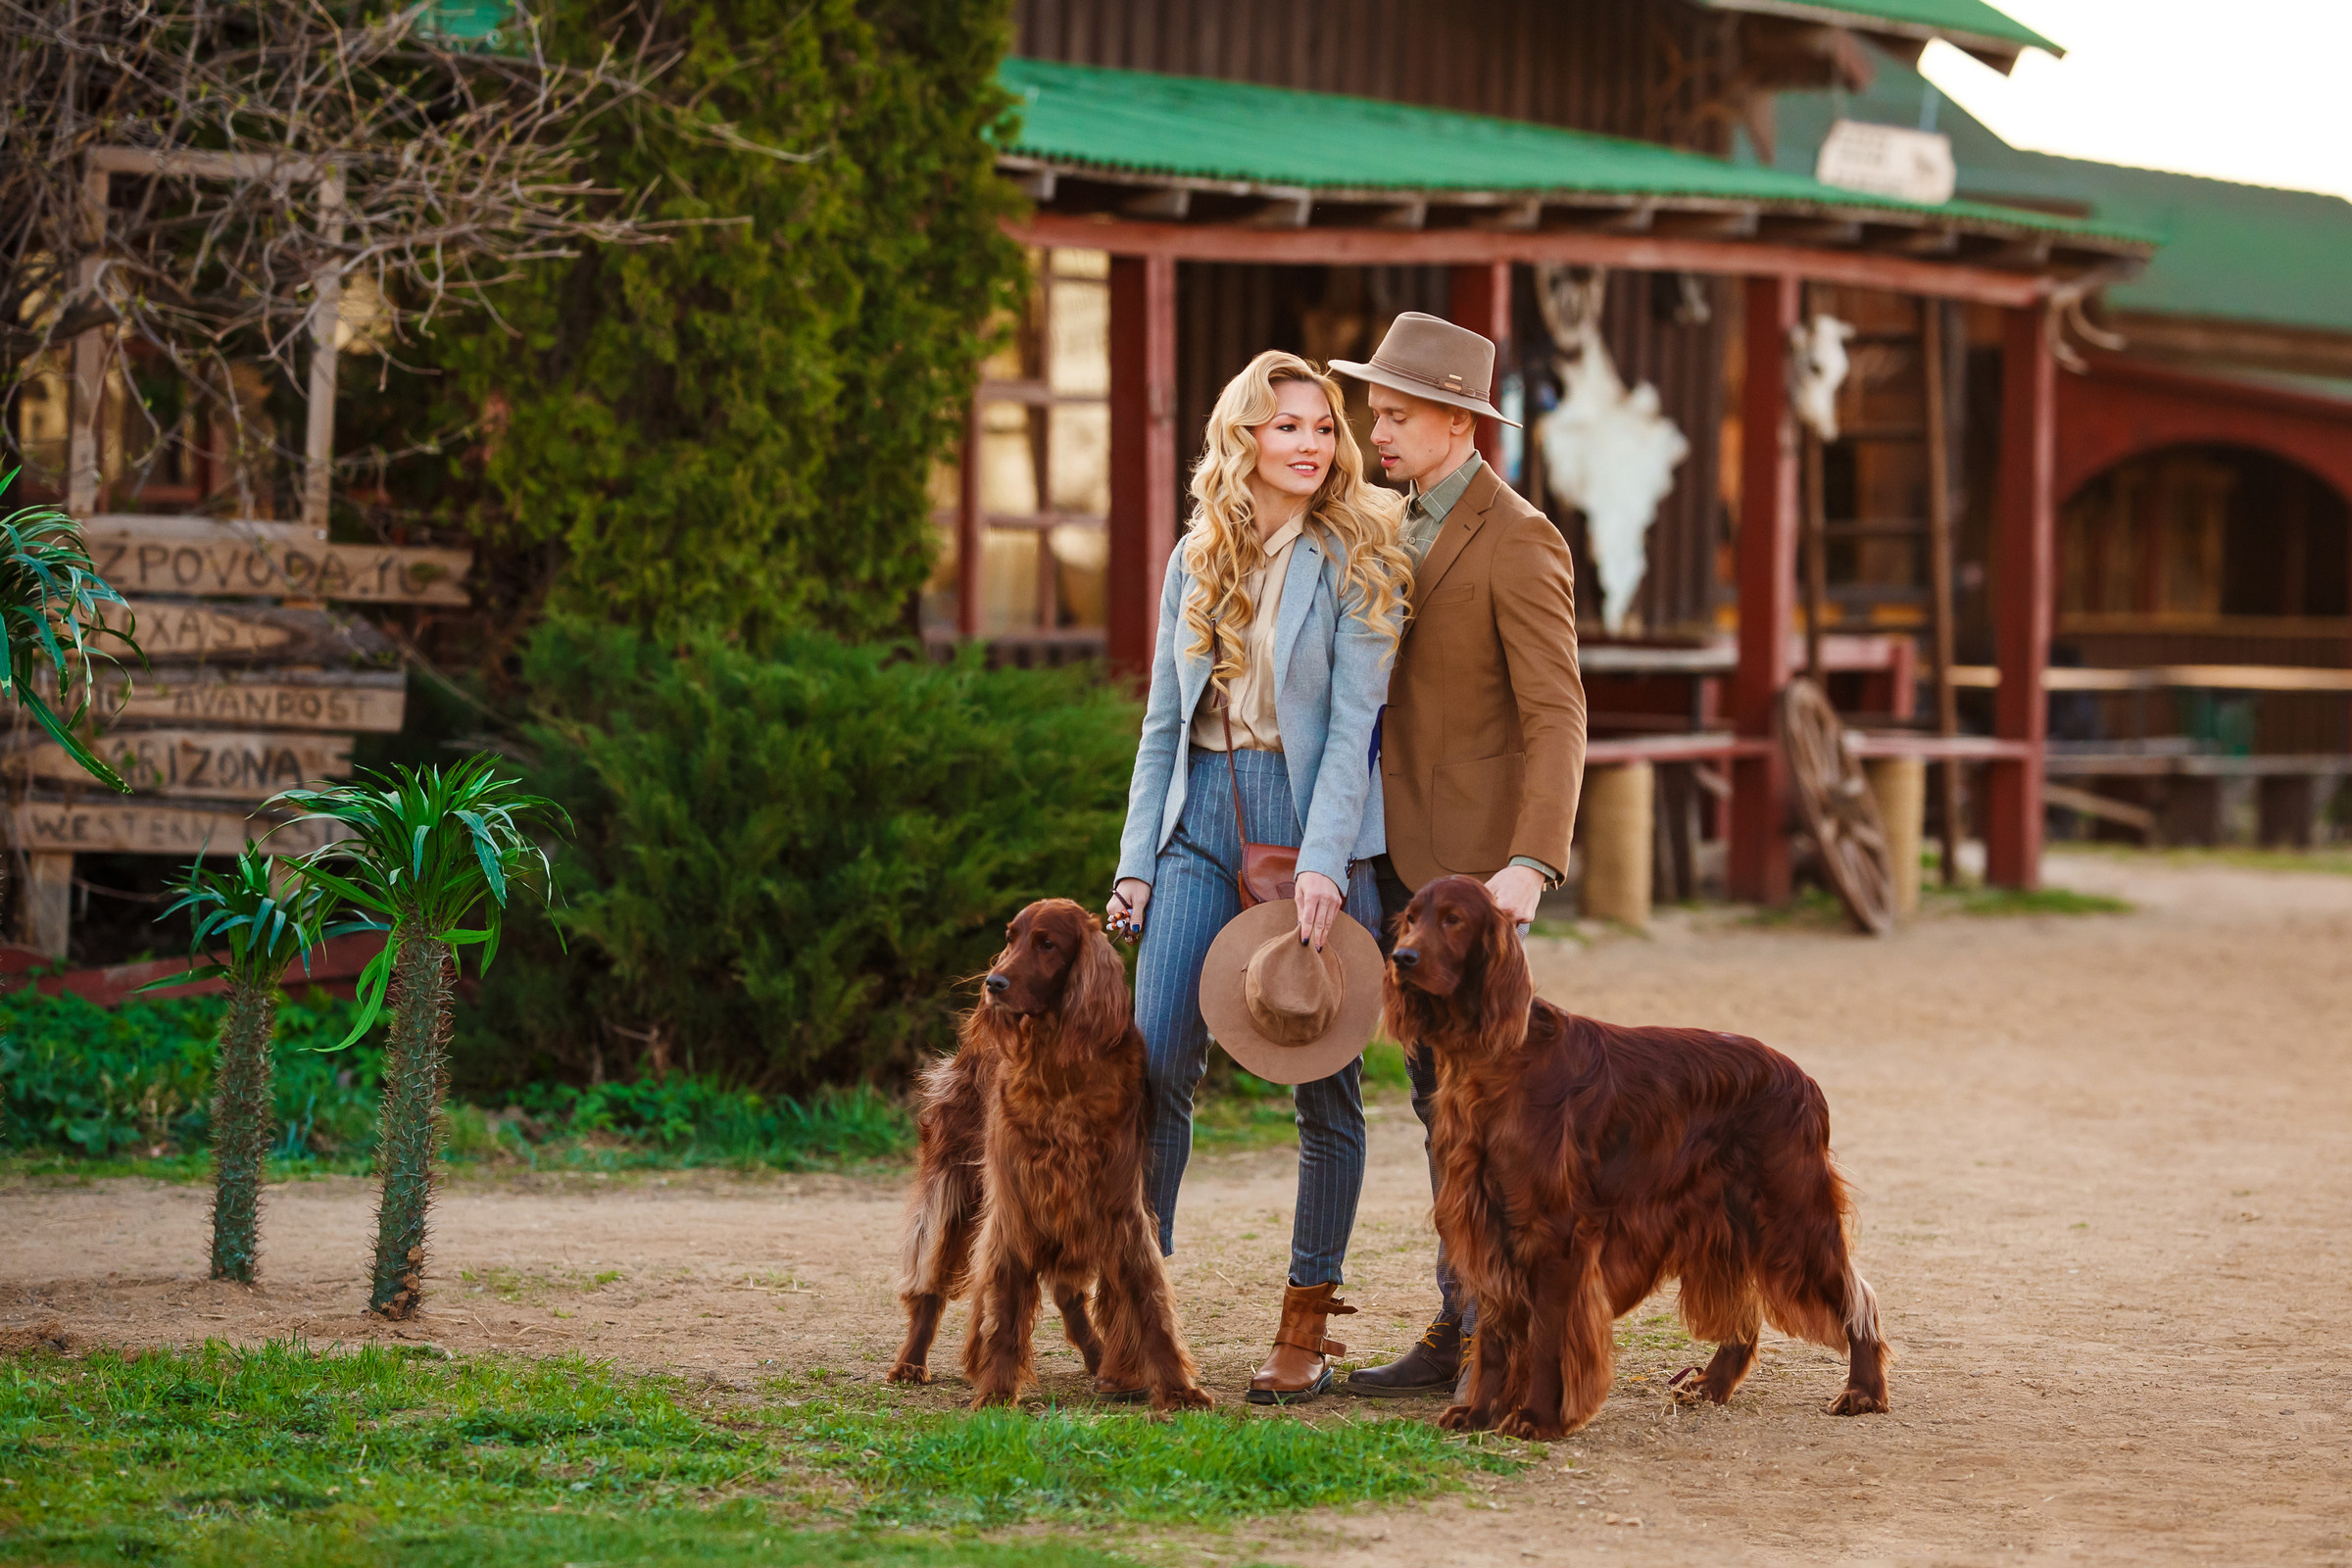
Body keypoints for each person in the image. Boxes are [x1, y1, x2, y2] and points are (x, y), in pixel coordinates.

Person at [1106, 350, 1411, 1403]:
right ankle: (1139, 1309)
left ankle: (1306, 1323)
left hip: (1320, 829)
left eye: (1325, 428)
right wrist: (1135, 866)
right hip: (1203, 818)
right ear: (1244, 436)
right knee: (1155, 1064)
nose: (1313, 444)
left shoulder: (1361, 551)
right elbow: (1161, 725)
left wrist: (1326, 863)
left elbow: (1355, 730)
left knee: (1327, 1086)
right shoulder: (1198, 556)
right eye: (1290, 426)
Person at [1326, 312, 1590, 1398]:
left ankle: (1494, 1335)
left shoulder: (1520, 538)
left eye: (1395, 414)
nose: (1375, 432)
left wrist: (1531, 863)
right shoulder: (1388, 522)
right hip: (1390, 862)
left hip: (1475, 886)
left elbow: (1558, 712)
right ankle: (1465, 1320)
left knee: (1494, 1114)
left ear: (1455, 420)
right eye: (1374, 412)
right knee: (1437, 1108)